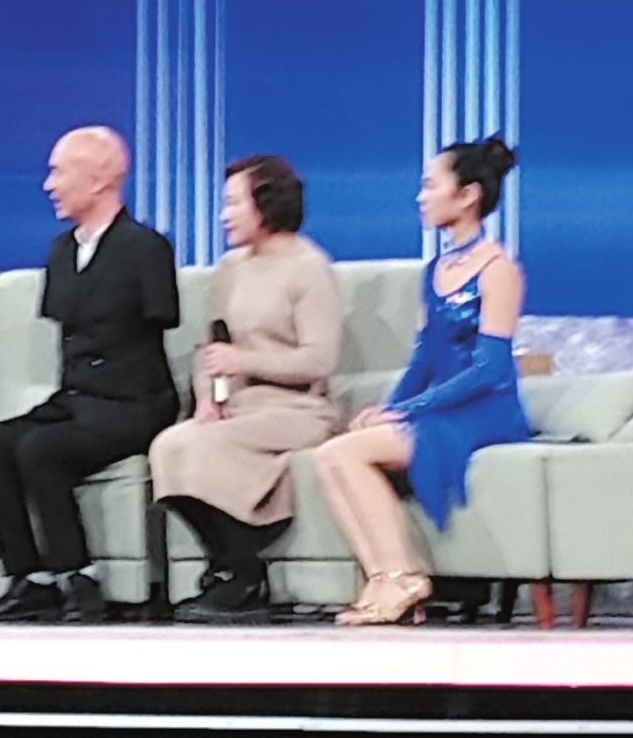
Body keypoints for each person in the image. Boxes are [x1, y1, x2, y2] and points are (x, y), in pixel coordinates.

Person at [312, 136, 529, 627]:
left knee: (346, 454)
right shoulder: (434, 270)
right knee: (330, 454)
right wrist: (386, 409)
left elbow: (489, 369)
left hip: (482, 410)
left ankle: (402, 575)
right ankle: (383, 579)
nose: (420, 196)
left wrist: (406, 412)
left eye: (431, 185)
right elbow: (422, 361)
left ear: (467, 195)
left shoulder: (498, 270)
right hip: (438, 406)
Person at [0, 126, 180, 623]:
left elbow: (156, 322)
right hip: (77, 398)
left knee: (41, 449)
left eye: (59, 172)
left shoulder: (145, 248)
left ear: (99, 179)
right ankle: (30, 578)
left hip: (133, 402)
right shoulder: (60, 250)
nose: (49, 185)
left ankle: (78, 577)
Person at [148, 155, 342, 622]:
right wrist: (206, 398)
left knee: (205, 447)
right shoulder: (231, 268)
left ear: (267, 204)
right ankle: (228, 563)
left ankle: (243, 574)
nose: (223, 215)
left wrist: (246, 361)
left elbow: (319, 360)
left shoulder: (309, 269)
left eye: (234, 203)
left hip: (299, 408)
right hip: (240, 403)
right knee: (170, 444)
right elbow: (211, 346)